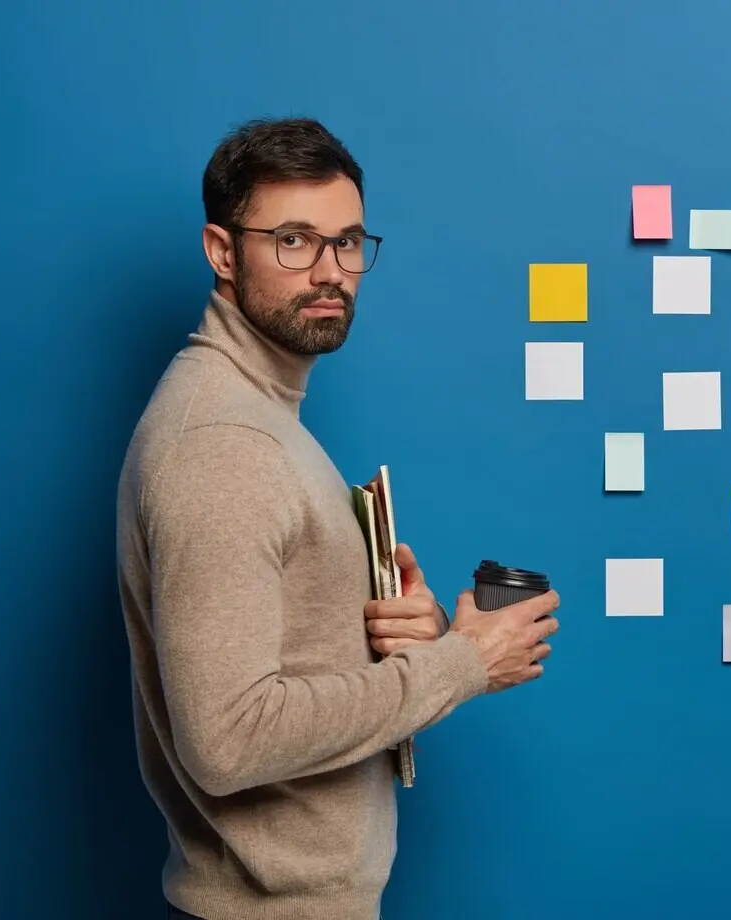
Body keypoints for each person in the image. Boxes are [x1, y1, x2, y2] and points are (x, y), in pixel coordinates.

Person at [115, 116, 560, 920]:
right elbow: (228, 740)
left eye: (348, 243)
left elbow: (283, 658)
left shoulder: (263, 417)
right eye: (292, 240)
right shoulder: (225, 445)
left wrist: (400, 644)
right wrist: (460, 665)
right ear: (222, 252)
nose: (329, 271)